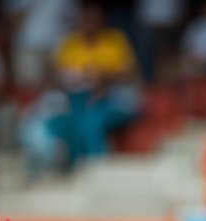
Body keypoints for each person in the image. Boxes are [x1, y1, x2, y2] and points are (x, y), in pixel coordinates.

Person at [51, 2, 142, 166]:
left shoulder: (115, 39)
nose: (90, 24)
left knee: (91, 123)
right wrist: (79, 77)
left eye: (94, 20)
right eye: (86, 20)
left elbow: (130, 72)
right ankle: (75, 168)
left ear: (102, 21)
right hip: (78, 99)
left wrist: (105, 76)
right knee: (72, 123)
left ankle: (98, 169)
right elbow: (57, 76)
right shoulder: (70, 44)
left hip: (114, 99)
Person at [4, 0, 80, 89]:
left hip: (59, 45)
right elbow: (10, 19)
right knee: (29, 88)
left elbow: (75, 19)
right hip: (28, 46)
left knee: (59, 89)